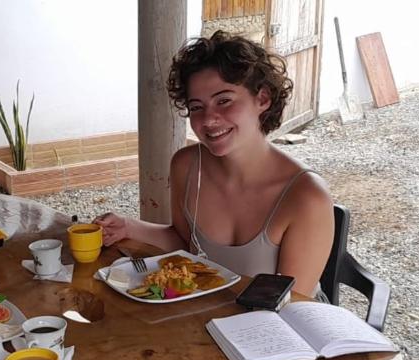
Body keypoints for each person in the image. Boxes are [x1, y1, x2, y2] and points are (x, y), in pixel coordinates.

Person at [95, 32, 334, 299]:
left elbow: (291, 305)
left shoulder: (307, 198)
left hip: (282, 328)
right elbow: (187, 246)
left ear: (263, 99)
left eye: (224, 101)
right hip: (209, 315)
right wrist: (128, 227)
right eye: (197, 107)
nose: (209, 119)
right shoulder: (187, 166)